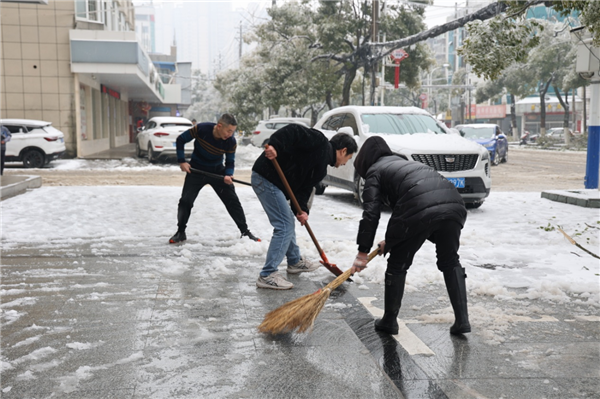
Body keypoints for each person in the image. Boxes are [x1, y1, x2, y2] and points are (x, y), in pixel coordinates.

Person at [350, 136, 470, 335]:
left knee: (397, 263)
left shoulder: (375, 171)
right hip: (454, 204)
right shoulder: (404, 164)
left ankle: (389, 320)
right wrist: (391, 240)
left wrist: (363, 252)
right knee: (450, 261)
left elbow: (371, 213)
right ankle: (462, 320)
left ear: (364, 160)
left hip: (421, 208)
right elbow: (409, 209)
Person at [252, 124, 358, 290]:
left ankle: (294, 261)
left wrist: (302, 210)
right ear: (343, 150)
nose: (346, 163)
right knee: (285, 225)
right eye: (348, 158)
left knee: (288, 221)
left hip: (275, 183)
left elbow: (305, 188)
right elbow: (293, 130)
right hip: (266, 177)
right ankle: (267, 274)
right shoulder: (319, 141)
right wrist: (275, 145)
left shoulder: (321, 169)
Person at [169, 113, 260, 244]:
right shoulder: (201, 129)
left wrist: (228, 174)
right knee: (185, 201)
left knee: (232, 201)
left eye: (232, 131)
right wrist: (182, 161)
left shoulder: (230, 142)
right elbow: (180, 140)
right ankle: (181, 232)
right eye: (229, 131)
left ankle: (245, 232)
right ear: (219, 126)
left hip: (217, 172)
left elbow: (230, 162)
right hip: (196, 171)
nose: (230, 134)